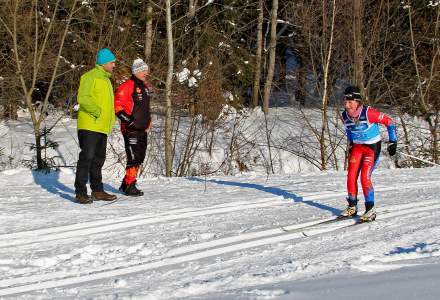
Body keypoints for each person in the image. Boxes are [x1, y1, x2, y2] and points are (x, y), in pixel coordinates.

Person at [340, 85, 397, 222]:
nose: (347, 105)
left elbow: (389, 122)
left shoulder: (369, 113)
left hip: (372, 148)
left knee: (365, 178)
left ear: (358, 102)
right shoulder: (344, 115)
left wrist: (393, 141)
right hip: (358, 147)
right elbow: (349, 129)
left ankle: (370, 209)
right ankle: (352, 206)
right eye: (345, 102)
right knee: (351, 176)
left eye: (350, 102)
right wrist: (351, 143)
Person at [74, 48, 117, 204]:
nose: (114, 65)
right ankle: (80, 193)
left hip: (101, 127)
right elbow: (83, 98)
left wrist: (109, 121)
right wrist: (97, 112)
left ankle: (97, 191)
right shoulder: (90, 76)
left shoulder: (106, 80)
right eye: (112, 62)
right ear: (104, 62)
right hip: (90, 124)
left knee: (98, 160)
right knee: (87, 158)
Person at [114, 58, 153, 196]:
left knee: (140, 157)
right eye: (142, 71)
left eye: (146, 70)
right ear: (135, 71)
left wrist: (149, 122)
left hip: (142, 129)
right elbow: (117, 107)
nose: (145, 73)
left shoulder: (145, 87)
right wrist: (129, 121)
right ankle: (130, 185)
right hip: (130, 129)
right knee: (134, 157)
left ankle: (126, 183)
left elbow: (145, 107)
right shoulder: (127, 86)